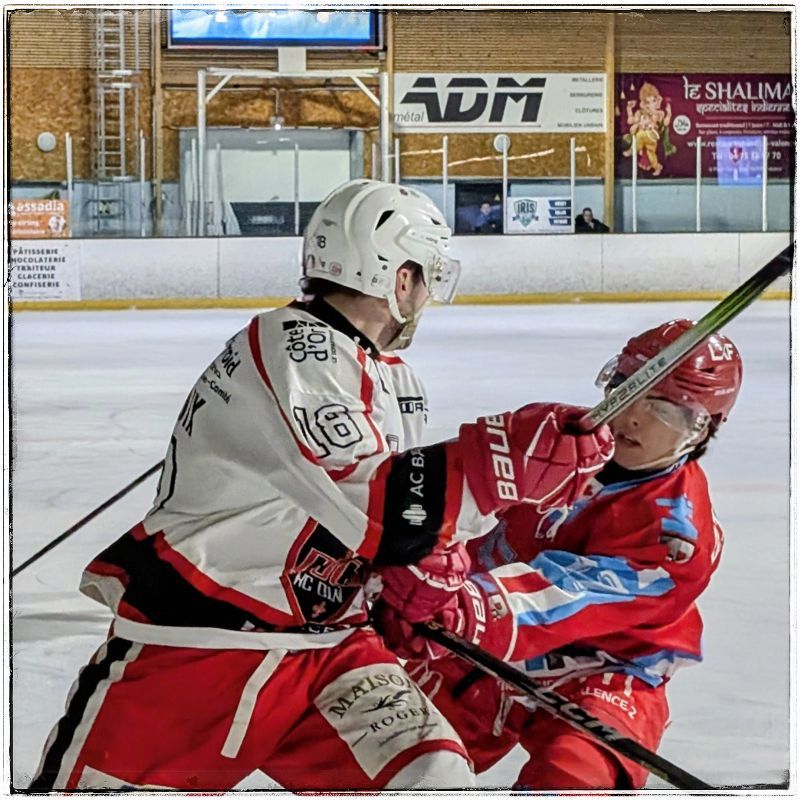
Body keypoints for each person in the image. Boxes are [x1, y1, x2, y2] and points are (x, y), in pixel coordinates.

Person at [30, 180, 613, 791]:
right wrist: (498, 463)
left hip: (331, 647)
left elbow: (398, 524)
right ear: (400, 277)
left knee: (431, 775)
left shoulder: (391, 377)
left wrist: (415, 577)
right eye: (426, 276)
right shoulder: (296, 348)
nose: (427, 296)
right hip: (203, 645)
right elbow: (372, 497)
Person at [377, 319, 743, 789]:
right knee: (395, 762)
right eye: (627, 388)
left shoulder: (677, 535)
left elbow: (567, 594)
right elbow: (455, 495)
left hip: (603, 668)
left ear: (701, 429)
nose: (633, 415)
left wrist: (461, 605)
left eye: (665, 410)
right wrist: (408, 559)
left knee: (572, 778)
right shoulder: (554, 440)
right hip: (476, 646)